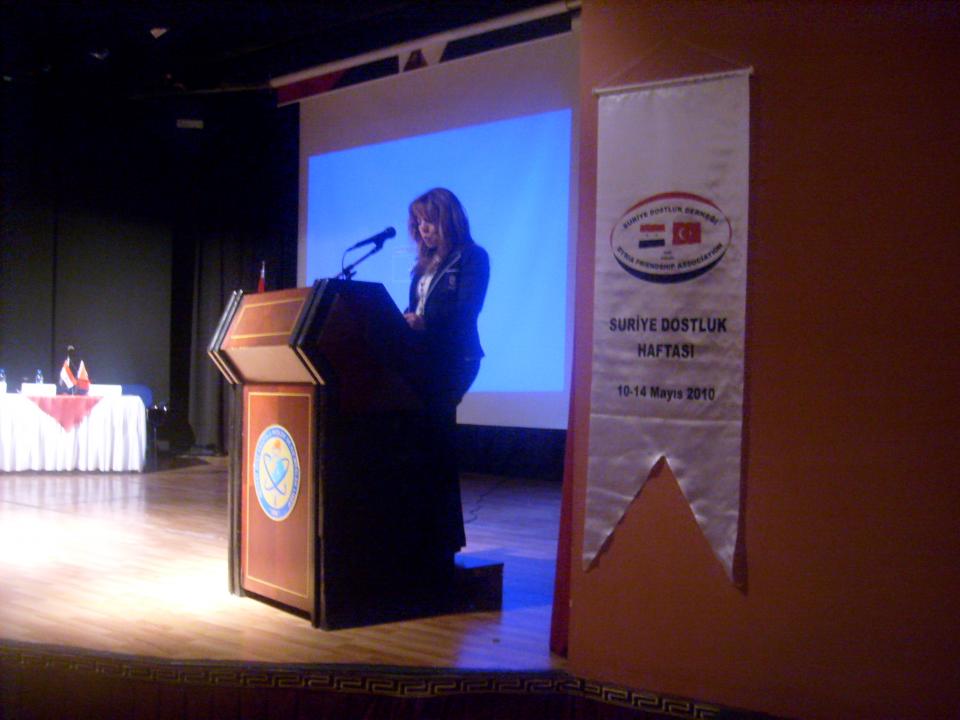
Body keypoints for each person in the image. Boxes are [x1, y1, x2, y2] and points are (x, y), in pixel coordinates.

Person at [402, 188, 489, 570]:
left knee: (436, 439)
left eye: (430, 220)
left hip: (456, 359)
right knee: (422, 443)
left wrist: (425, 323)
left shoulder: (472, 257)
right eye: (419, 222)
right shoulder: (422, 265)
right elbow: (414, 308)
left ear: (448, 218)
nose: (424, 228)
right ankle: (422, 536)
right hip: (423, 359)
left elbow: (468, 309)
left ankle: (443, 540)